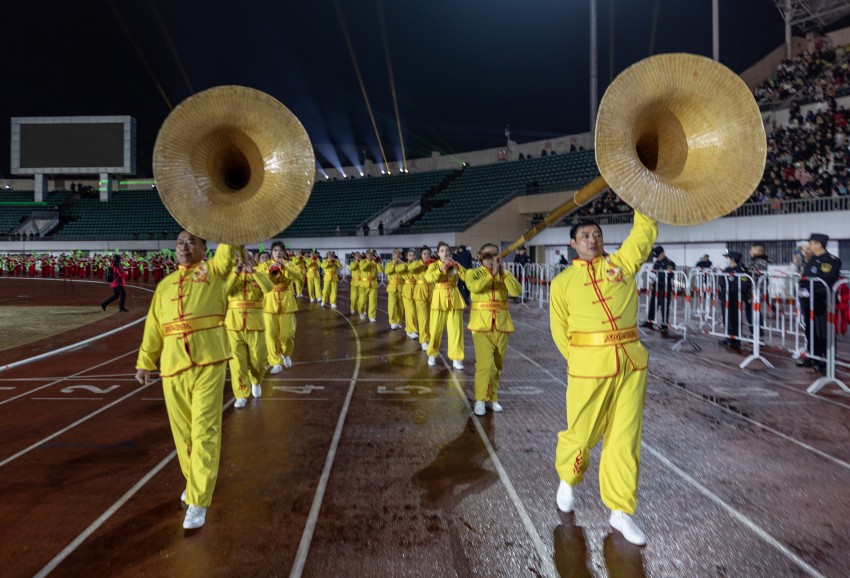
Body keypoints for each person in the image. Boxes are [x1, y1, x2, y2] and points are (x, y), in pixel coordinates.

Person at [550, 212, 657, 546]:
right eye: (584, 235)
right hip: (587, 368)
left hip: (631, 364)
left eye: (596, 234)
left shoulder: (621, 265)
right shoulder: (562, 283)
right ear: (572, 243)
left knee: (625, 439)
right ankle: (568, 479)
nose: (592, 240)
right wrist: (583, 359)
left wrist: (644, 200)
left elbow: (643, 235)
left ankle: (620, 511)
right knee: (581, 432)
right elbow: (560, 332)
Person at [134, 232, 237, 530]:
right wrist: (145, 361)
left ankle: (199, 500)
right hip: (172, 366)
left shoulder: (214, 271)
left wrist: (227, 218)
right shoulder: (165, 286)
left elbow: (228, 252)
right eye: (180, 241)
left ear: (205, 248)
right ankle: (195, 485)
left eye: (192, 241)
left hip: (209, 361)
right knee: (184, 437)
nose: (184, 246)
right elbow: (154, 326)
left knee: (205, 431)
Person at [465, 243, 522, 415]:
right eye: (487, 255)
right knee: (485, 365)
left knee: (497, 365)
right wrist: (492, 275)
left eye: (494, 255)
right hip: (481, 326)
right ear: (480, 256)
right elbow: (474, 287)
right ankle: (480, 399)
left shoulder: (505, 275)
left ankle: (492, 398)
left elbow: (516, 291)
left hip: (502, 325)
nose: (491, 259)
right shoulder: (472, 273)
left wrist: (503, 274)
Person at [224, 250, 273, 408]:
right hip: (233, 325)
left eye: (248, 259)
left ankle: (256, 381)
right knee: (237, 363)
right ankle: (241, 394)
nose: (244, 262)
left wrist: (255, 273)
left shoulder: (260, 273)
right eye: (241, 259)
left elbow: (268, 288)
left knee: (258, 360)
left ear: (254, 261)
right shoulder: (231, 274)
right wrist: (235, 273)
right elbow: (223, 291)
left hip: (256, 325)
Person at [796, 233, 842, 372]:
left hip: (822, 302)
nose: (809, 246)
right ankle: (813, 356)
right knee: (810, 330)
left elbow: (825, 281)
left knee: (823, 332)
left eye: (811, 243)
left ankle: (825, 360)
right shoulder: (812, 260)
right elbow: (804, 278)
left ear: (818, 244)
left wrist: (808, 287)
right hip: (809, 302)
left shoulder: (830, 261)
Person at [257, 241, 302, 373]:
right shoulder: (264, 264)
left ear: (284, 252)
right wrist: (269, 269)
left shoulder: (290, 264)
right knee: (271, 335)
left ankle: (286, 353)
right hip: (269, 301)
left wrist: (285, 268)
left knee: (287, 334)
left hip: (286, 301)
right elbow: (260, 278)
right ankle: (275, 362)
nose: (278, 253)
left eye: (280, 250)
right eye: (275, 250)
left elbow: (298, 277)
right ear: (271, 252)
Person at [425, 241, 466, 370]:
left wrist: (458, 266)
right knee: (435, 329)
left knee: (456, 330)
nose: (445, 253)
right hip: (439, 299)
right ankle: (432, 354)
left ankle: (456, 358)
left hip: (454, 298)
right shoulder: (434, 265)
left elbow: (465, 277)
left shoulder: (454, 264)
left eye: (447, 250)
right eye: (442, 251)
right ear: (438, 253)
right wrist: (441, 269)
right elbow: (429, 278)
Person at [717, 251, 751, 351]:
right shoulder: (726, 270)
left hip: (735, 298)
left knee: (735, 318)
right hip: (726, 298)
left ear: (732, 259)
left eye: (728, 258)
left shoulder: (741, 270)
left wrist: (731, 289)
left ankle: (736, 339)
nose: (726, 260)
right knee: (726, 318)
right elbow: (721, 283)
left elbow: (744, 285)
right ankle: (728, 337)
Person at [643, 246, 676, 335]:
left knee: (664, 306)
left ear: (662, 253)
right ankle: (650, 321)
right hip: (656, 288)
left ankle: (664, 325)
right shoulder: (657, 262)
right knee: (653, 304)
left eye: (658, 256)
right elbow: (653, 273)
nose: (657, 258)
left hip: (665, 289)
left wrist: (657, 279)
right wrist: (651, 282)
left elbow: (669, 276)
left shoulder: (670, 263)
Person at [358, 250, 383, 322]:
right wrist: (369, 262)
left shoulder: (375, 262)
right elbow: (362, 268)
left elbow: (381, 270)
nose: (370, 255)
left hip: (373, 284)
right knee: (362, 301)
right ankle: (361, 312)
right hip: (363, 285)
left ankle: (372, 316)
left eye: (371, 254)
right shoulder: (362, 262)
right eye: (368, 254)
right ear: (366, 255)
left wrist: (377, 263)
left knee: (373, 302)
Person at [384, 248, 404, 329]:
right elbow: (387, 271)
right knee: (392, 306)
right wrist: (394, 264)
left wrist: (401, 263)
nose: (397, 255)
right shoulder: (389, 264)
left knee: (400, 306)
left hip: (401, 287)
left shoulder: (402, 264)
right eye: (395, 253)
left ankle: (399, 321)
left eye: (398, 253)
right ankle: (392, 321)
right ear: (393, 255)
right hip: (392, 288)